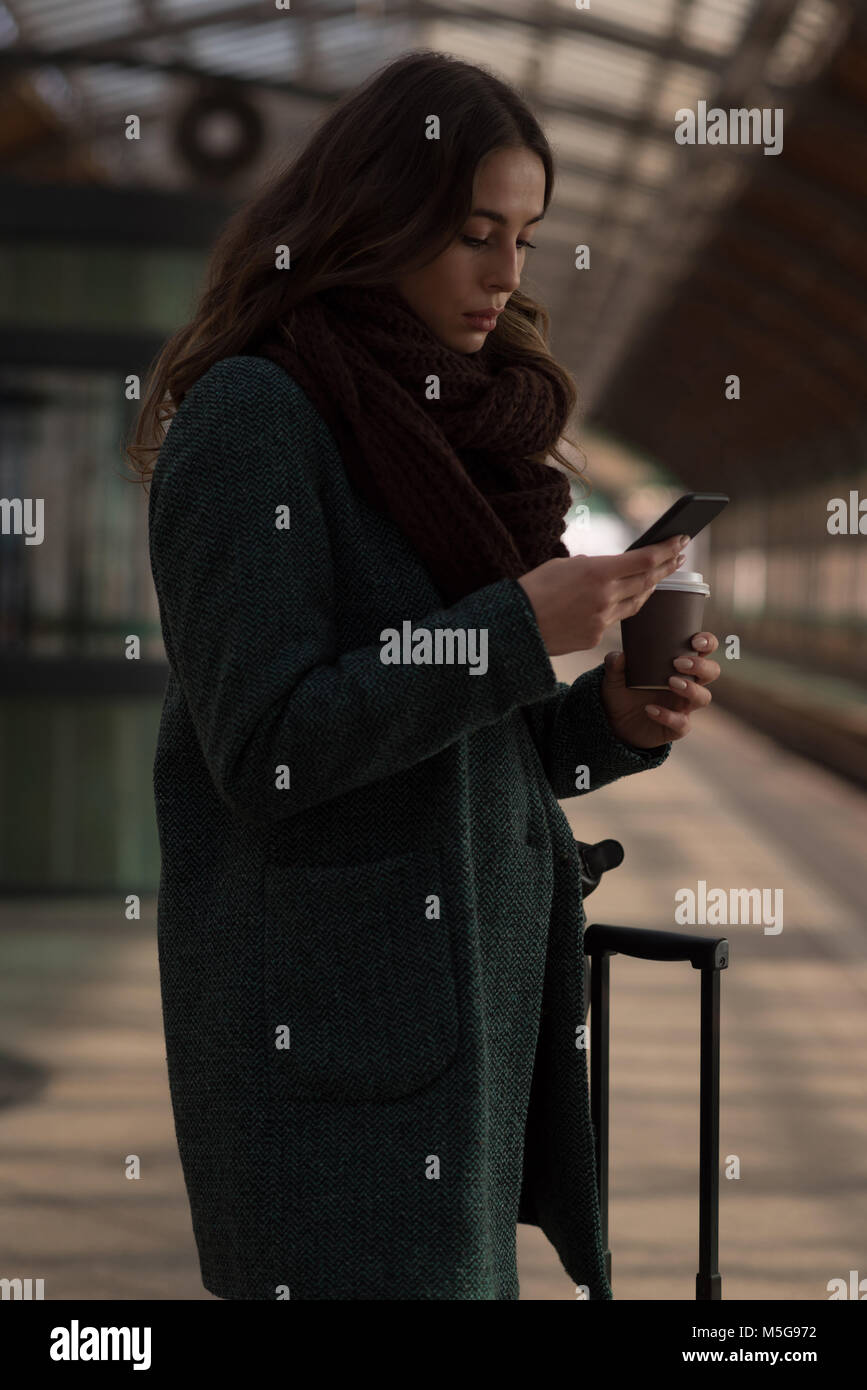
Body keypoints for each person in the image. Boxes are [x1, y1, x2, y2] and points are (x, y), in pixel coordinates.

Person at [128, 50, 720, 1301]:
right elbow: (266, 744)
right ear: (376, 218)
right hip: (333, 1070)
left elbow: (468, 745)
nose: (506, 274)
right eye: (472, 234)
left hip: (463, 1050)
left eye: (525, 238)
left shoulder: (449, 432)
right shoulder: (254, 420)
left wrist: (610, 718)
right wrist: (513, 629)